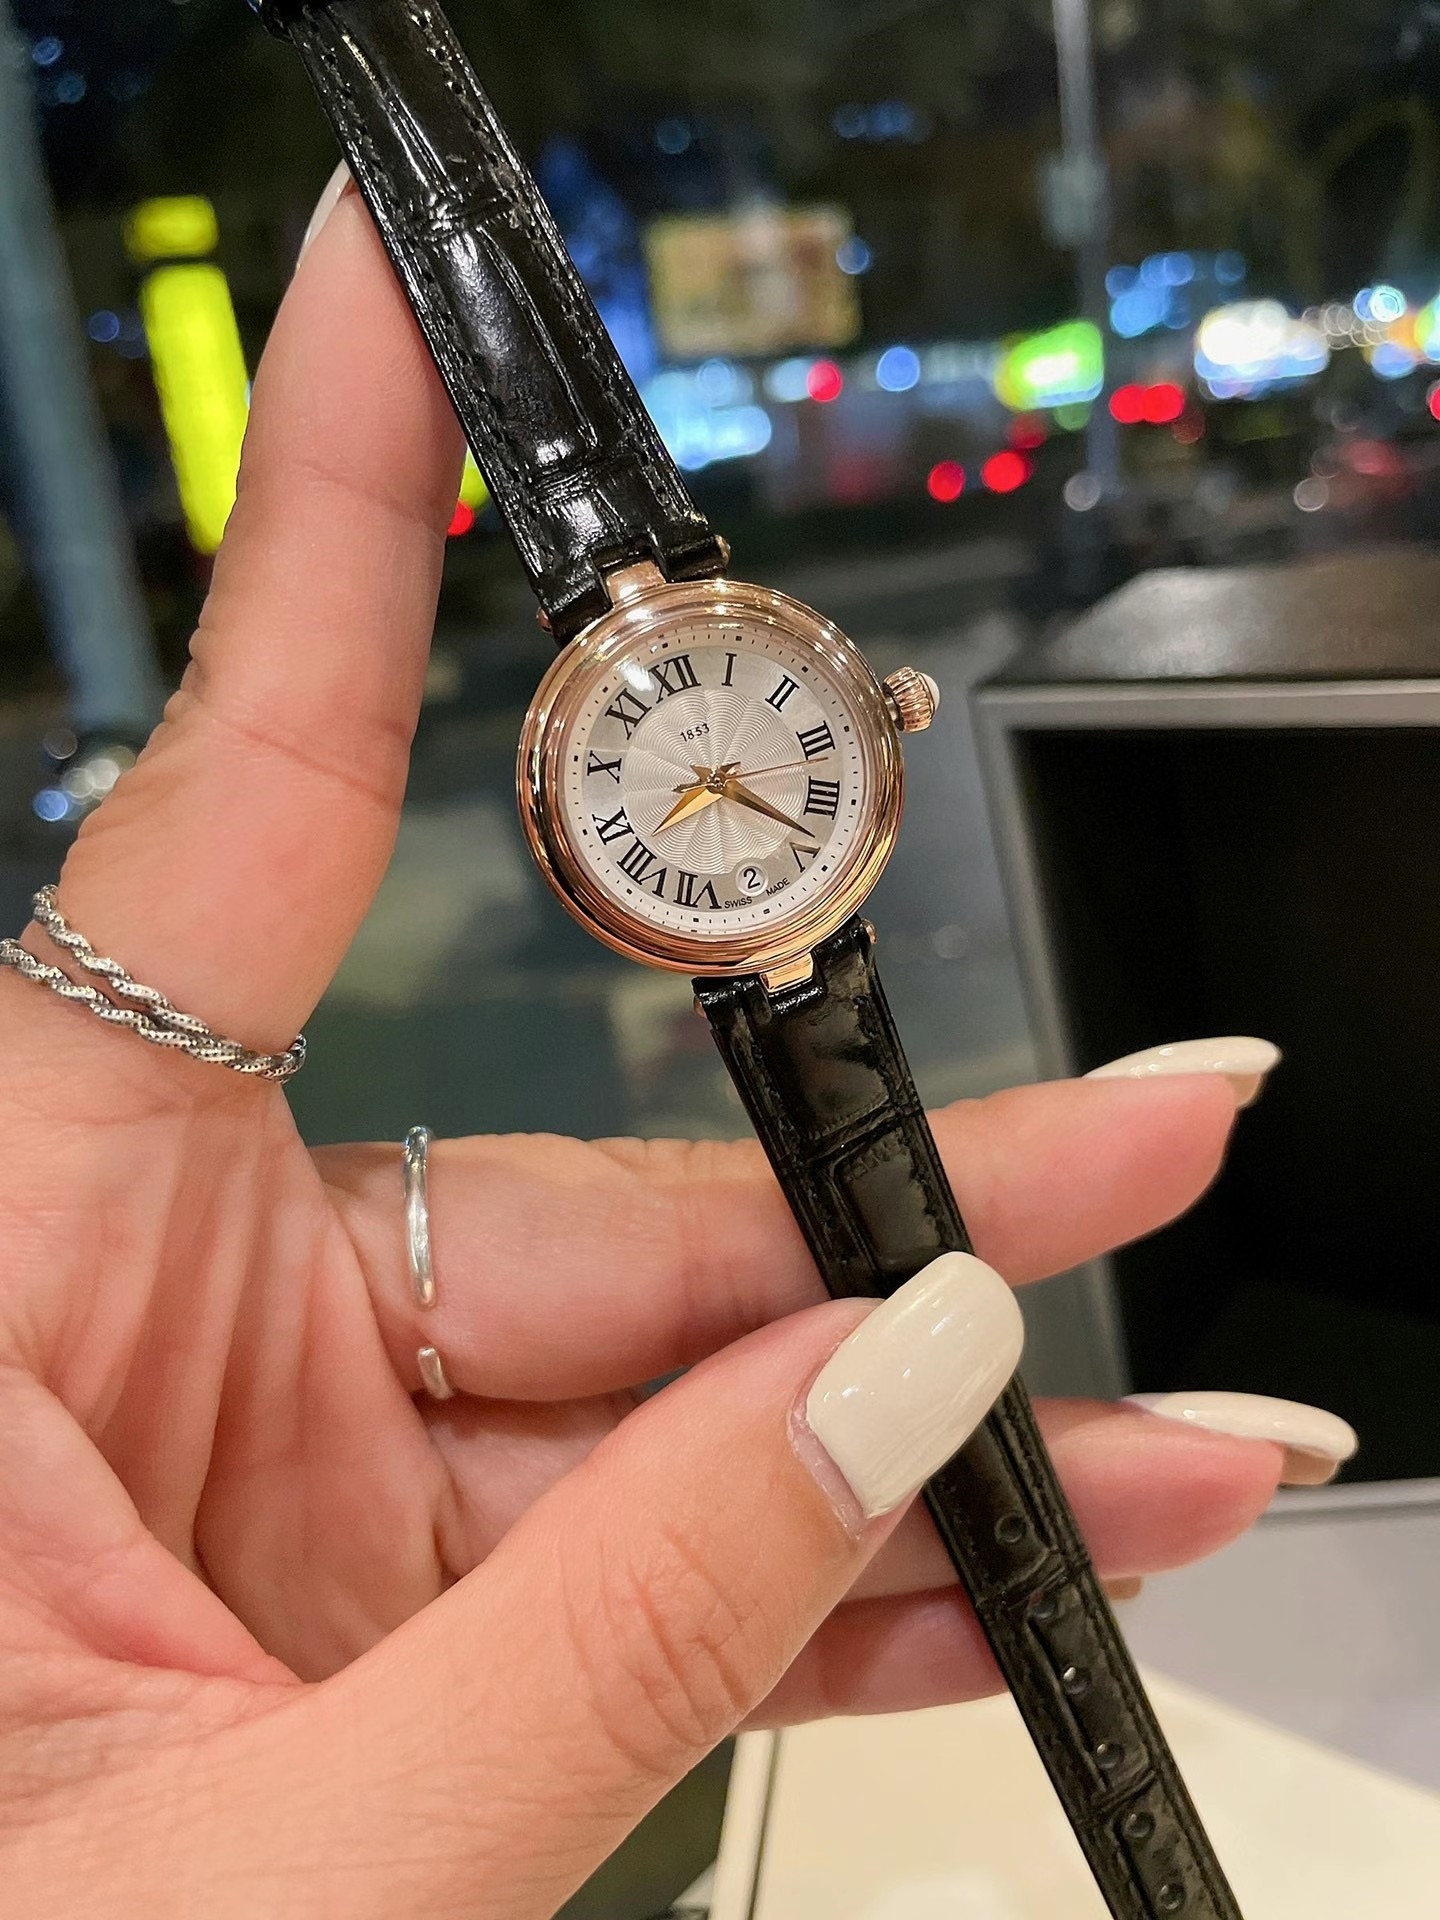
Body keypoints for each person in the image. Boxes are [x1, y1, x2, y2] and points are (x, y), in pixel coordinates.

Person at [0, 179, 1349, 1916]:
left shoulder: (764, 731)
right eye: (679, 784)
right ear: (574, 815)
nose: (708, 782)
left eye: (748, 758)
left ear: (871, 719)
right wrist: (692, 1584)